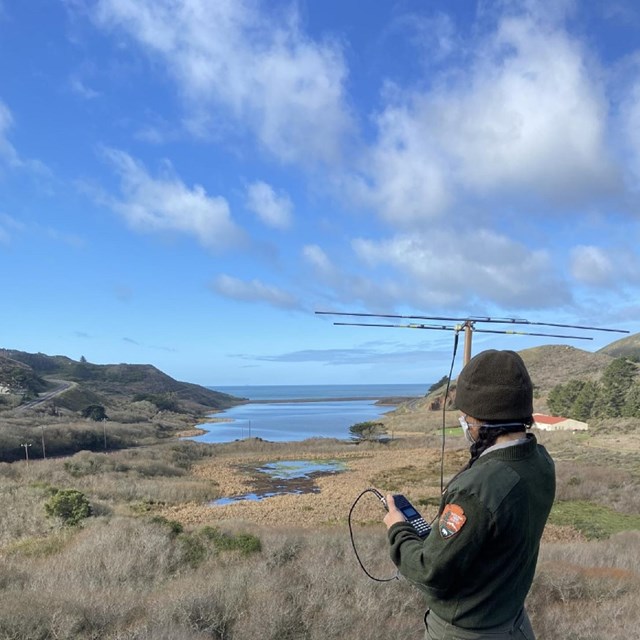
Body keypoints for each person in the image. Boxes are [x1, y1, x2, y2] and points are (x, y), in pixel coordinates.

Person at [383, 349, 555, 639]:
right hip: (513, 622)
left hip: (467, 631)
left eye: (466, 417)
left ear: (480, 421)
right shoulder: (540, 461)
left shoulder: (478, 489)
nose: (464, 424)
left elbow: (430, 572)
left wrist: (397, 529)